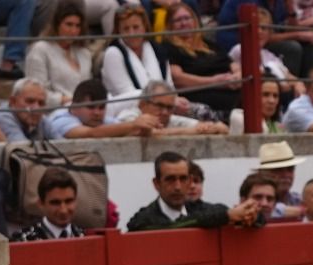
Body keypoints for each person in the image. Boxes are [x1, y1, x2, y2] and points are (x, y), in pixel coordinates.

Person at [126, 152, 264, 231]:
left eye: (183, 179)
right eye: (170, 179)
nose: (178, 186)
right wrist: (227, 216)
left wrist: (250, 215)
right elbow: (174, 227)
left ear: (190, 180)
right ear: (156, 184)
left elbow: (260, 220)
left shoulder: (202, 209)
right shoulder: (143, 219)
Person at [160, 1, 241, 115]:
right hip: (200, 92)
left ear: (195, 20)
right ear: (170, 25)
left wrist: (237, 75)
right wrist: (214, 82)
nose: (184, 23)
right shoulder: (169, 47)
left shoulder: (207, 44)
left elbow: (232, 64)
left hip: (228, 87)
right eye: (178, 20)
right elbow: (178, 79)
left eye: (187, 18)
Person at [102, 5, 171, 117]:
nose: (131, 33)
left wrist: (173, 101)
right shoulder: (113, 53)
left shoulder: (157, 49)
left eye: (136, 27)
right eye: (126, 29)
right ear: (118, 30)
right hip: (128, 113)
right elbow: (128, 94)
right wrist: (165, 100)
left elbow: (169, 86)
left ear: (145, 27)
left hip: (163, 108)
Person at [27, 1, 97, 105]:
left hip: (85, 108)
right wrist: (69, 100)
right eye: (69, 25)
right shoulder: (40, 49)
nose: (73, 31)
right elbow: (36, 92)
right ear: (56, 25)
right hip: (56, 110)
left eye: (77, 26)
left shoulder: (84, 53)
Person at [47, 76, 159, 137]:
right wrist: (134, 124)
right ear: (75, 107)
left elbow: (132, 132)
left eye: (102, 108)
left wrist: (144, 130)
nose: (97, 113)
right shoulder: (60, 120)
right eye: (91, 107)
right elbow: (92, 133)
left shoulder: (105, 121)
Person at [115, 80, 229, 134]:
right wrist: (193, 131)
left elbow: (221, 128)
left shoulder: (170, 118)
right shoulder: (129, 115)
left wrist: (211, 127)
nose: (165, 112)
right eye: (159, 105)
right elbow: (153, 134)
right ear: (143, 103)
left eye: (170, 107)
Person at [12, 169, 88, 240]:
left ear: (76, 201)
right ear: (41, 204)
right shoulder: (22, 241)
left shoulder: (86, 239)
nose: (63, 210)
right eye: (55, 203)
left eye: (69, 201)